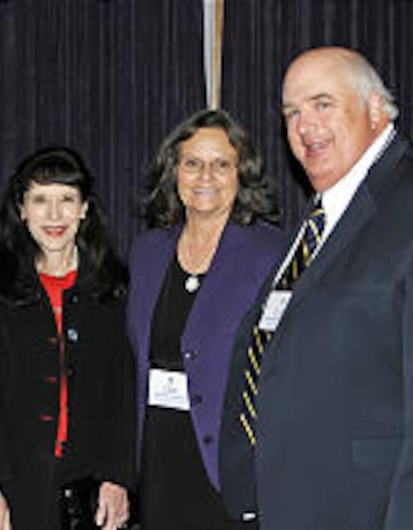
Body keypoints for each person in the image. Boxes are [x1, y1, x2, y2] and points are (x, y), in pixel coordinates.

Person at [220, 46, 413, 530]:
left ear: (376, 110)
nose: (304, 125)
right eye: (292, 112)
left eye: (322, 104)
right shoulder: (323, 220)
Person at [126, 109, 288, 530]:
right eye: (193, 163)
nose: (205, 177)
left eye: (221, 165)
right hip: (160, 460)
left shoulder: (271, 254)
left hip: (230, 467)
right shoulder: (146, 253)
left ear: (242, 174)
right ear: (173, 171)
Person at [0, 147, 135, 530]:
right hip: (12, 485)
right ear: (21, 209)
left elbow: (122, 392)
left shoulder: (112, 288)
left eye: (66, 200)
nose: (54, 216)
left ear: (85, 209)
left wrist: (118, 477)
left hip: (89, 488)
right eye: (40, 200)